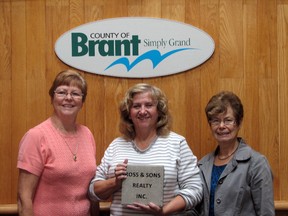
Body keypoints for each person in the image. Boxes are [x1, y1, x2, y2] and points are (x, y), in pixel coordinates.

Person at [89, 83, 203, 215]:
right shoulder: (116, 145)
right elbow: (93, 191)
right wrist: (115, 183)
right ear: (129, 113)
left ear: (159, 111)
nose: (142, 111)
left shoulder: (177, 143)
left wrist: (164, 211)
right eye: (136, 106)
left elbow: (195, 189)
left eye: (149, 105)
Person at [17, 70, 97, 216]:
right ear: (52, 97)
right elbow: (24, 198)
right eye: (62, 92)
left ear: (82, 101)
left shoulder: (87, 134)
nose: (68, 98)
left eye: (75, 93)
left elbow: (91, 190)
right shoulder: (36, 136)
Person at [197, 91, 274, 216]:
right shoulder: (202, 164)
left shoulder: (257, 164)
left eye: (228, 120)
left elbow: (266, 213)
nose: (221, 126)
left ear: (238, 123)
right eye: (216, 121)